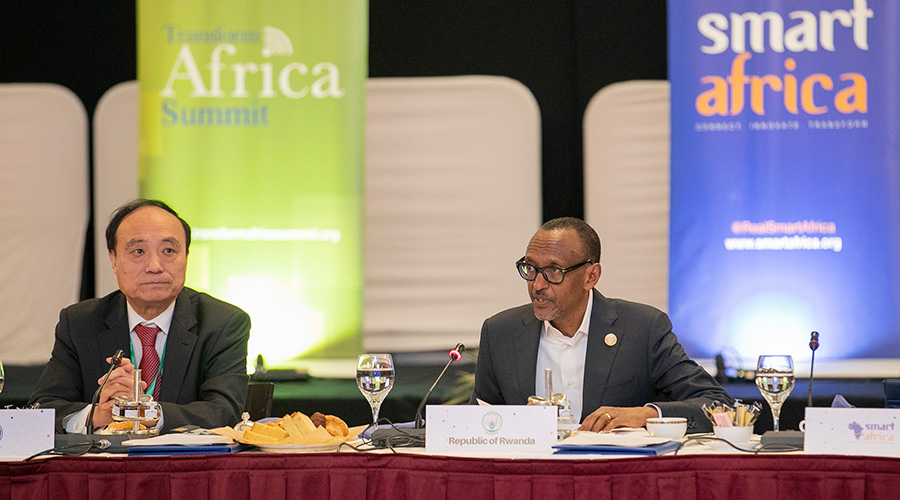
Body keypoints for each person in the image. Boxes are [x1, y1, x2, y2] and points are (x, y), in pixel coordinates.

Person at [471, 217, 732, 433]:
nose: (537, 285)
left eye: (553, 271)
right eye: (530, 268)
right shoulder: (500, 333)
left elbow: (720, 407)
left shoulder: (642, 329)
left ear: (591, 276)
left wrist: (646, 414)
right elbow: (475, 424)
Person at [29, 199, 251, 434]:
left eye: (168, 251)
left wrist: (142, 411)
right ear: (113, 260)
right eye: (138, 251)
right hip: (105, 468)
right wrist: (98, 413)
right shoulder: (79, 323)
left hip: (185, 467)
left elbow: (226, 411)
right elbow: (41, 411)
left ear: (186, 257)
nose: (155, 266)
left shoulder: (222, 323)